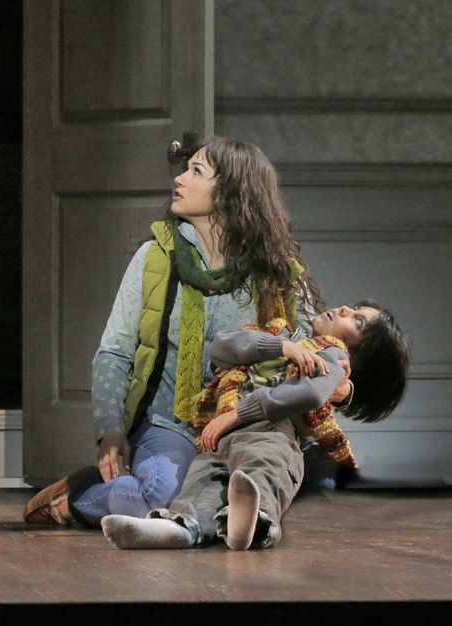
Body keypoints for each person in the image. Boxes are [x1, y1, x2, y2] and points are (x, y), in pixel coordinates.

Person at [23, 137, 323, 528]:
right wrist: (110, 431)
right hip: (169, 422)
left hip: (243, 424)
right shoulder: (155, 258)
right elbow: (115, 351)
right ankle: (78, 496)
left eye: (196, 171)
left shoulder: (275, 270)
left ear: (232, 192)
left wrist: (335, 380)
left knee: (230, 501)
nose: (179, 178)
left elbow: (312, 347)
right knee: (162, 499)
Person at [101, 301, 410, 551]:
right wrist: (281, 347)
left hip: (272, 430)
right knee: (205, 480)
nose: (345, 310)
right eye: (354, 307)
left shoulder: (332, 353)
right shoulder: (285, 335)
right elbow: (222, 348)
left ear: (356, 357)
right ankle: (180, 528)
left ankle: (254, 523)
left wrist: (237, 414)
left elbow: (312, 392)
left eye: (357, 322)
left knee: (263, 468)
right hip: (221, 437)